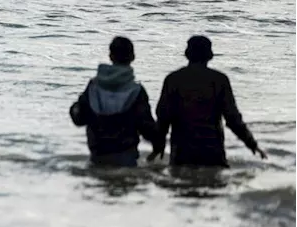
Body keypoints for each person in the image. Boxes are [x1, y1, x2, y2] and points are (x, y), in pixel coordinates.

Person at [151, 36, 266, 167]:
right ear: (210, 55)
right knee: (214, 184)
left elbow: (163, 117)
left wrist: (158, 145)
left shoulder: (173, 79)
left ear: (187, 54)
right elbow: (232, 118)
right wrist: (251, 144)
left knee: (181, 185)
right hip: (212, 148)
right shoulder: (219, 80)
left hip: (182, 149)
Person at [68, 36, 162, 167]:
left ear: (111, 56)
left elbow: (79, 118)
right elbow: (146, 127)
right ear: (132, 57)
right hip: (126, 157)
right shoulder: (136, 91)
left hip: (97, 156)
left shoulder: (94, 87)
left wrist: (74, 108)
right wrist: (159, 144)